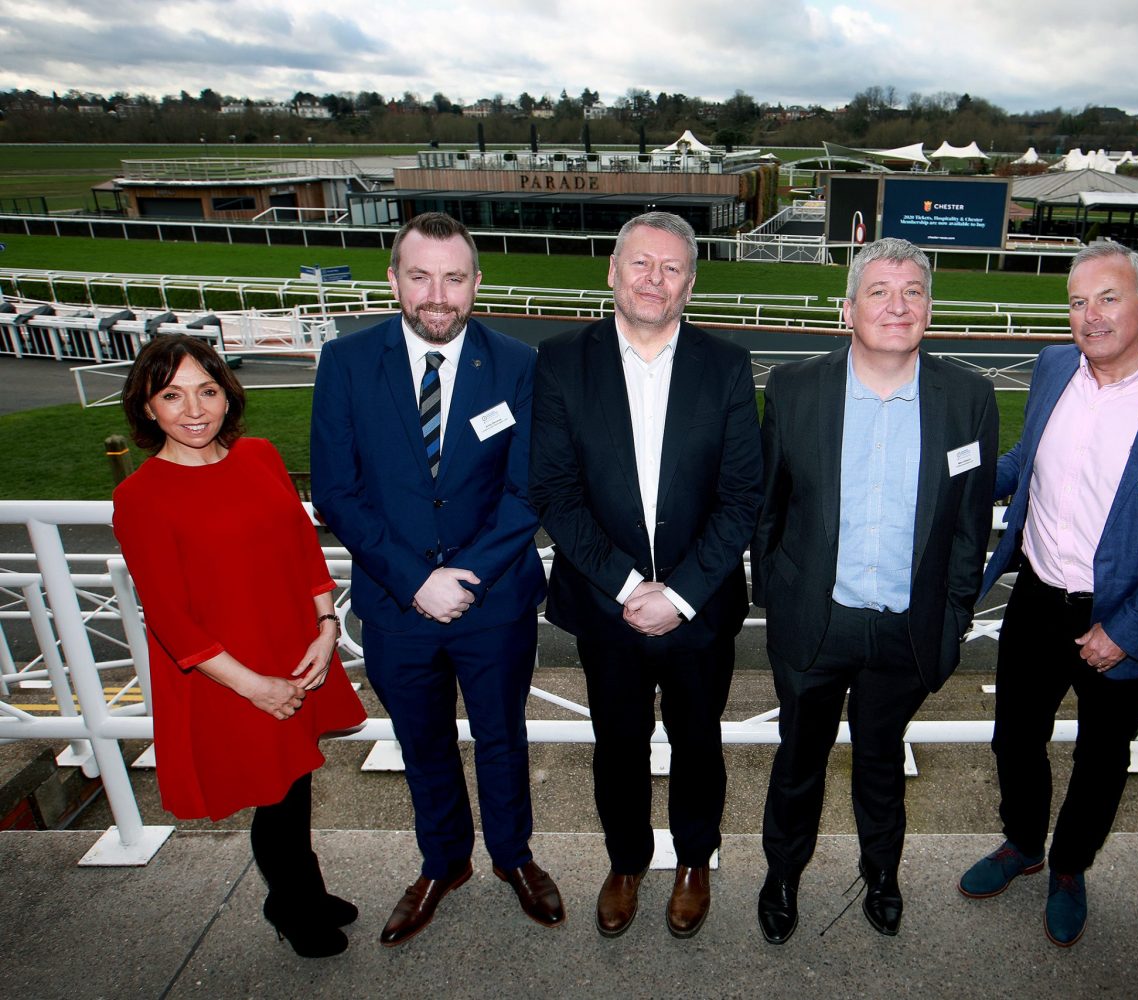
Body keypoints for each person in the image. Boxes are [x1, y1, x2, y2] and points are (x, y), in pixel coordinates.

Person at [958, 239, 1138, 947]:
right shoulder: (1056, 365)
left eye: (1108, 298)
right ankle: (1024, 844)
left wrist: (1131, 629)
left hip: (1126, 616)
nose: (1091, 317)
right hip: (1036, 598)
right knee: (1014, 737)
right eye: (1078, 302)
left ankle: (1069, 866)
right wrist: (960, 479)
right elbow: (1032, 459)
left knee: (1100, 756)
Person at [311, 212, 562, 946]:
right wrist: (418, 580)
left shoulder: (518, 363)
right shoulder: (347, 362)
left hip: (495, 603)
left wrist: (469, 574)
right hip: (397, 606)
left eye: (454, 278)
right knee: (421, 744)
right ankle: (443, 862)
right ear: (394, 280)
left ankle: (513, 858)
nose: (437, 294)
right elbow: (337, 490)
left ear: (476, 283)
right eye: (420, 276)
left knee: (502, 739)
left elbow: (529, 489)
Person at [752, 238, 998, 942]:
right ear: (848, 308)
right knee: (798, 761)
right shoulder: (796, 387)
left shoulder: (969, 397)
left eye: (913, 291)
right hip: (815, 623)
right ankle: (782, 874)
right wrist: (780, 603)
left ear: (930, 306)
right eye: (880, 292)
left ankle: (882, 872)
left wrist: (952, 619)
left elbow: (967, 529)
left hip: (906, 629)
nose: (898, 305)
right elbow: (769, 508)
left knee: (882, 761)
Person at [530, 212, 762, 939]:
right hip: (608, 611)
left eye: (671, 268)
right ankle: (625, 861)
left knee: (700, 744)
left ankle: (695, 860)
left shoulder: (725, 364)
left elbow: (741, 497)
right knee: (618, 744)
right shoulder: (563, 360)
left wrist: (683, 594)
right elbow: (556, 494)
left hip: (700, 610)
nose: (654, 279)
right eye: (640, 264)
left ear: (690, 283)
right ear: (612, 272)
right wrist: (632, 590)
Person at [112, 334, 366, 958]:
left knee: (296, 778)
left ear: (227, 395)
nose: (194, 409)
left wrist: (327, 626)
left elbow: (302, 547)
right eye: (171, 395)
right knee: (274, 793)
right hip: (227, 673)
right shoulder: (139, 496)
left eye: (207, 390)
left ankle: (301, 887)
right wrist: (255, 686)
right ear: (147, 407)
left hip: (293, 649)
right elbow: (169, 618)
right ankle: (291, 905)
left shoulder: (259, 456)